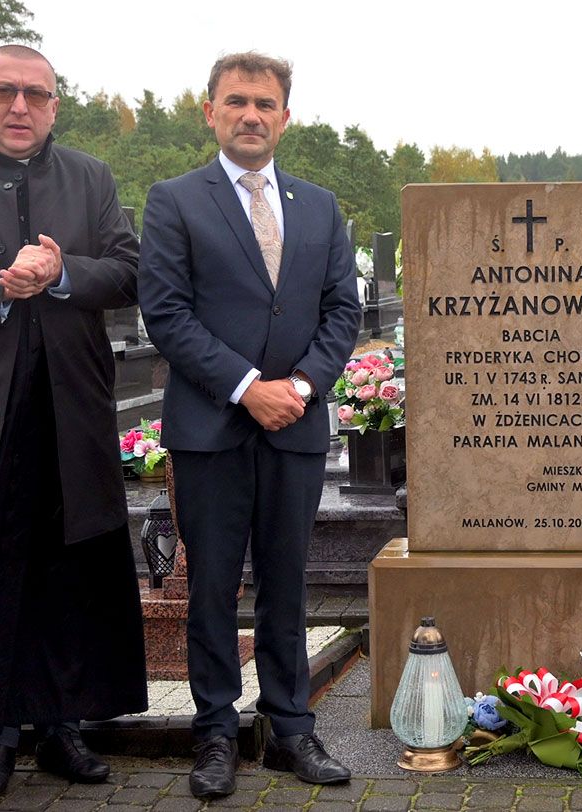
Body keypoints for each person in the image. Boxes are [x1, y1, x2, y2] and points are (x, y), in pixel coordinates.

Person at [0, 44, 147, 796]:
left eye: (35, 94)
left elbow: (129, 271)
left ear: (54, 105)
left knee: (64, 570)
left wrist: (63, 271)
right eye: (3, 91)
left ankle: (61, 724)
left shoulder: (90, 177)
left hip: (67, 412)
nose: (20, 106)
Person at [138, 52, 361, 800]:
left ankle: (291, 728)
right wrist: (246, 388)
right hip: (212, 429)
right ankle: (214, 734)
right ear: (210, 111)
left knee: (287, 585)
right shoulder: (175, 201)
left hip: (294, 425)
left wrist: (299, 386)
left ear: (285, 118)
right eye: (236, 101)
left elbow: (342, 310)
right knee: (211, 589)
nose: (251, 115)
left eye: (265, 104)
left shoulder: (319, 206)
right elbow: (166, 311)